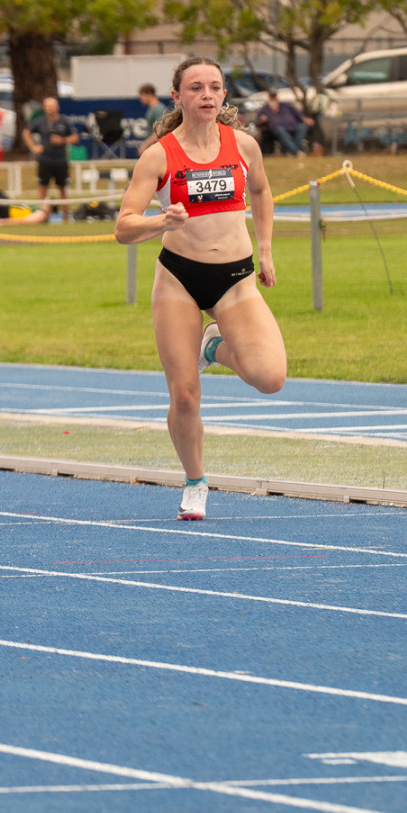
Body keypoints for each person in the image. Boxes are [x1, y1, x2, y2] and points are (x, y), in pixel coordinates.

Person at [115, 55, 286, 522]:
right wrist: (160, 221)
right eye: (195, 87)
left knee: (270, 377)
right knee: (185, 395)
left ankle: (212, 346)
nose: (206, 95)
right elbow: (124, 227)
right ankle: (195, 482)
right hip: (179, 279)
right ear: (177, 96)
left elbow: (262, 191)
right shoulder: (159, 155)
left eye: (214, 87)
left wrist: (266, 249)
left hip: (236, 278)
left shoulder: (244, 146)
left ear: (224, 95)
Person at [27, 95, 75, 218]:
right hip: (45, 160)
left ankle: (66, 216)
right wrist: (33, 147)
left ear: (57, 107)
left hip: (60, 160)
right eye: (47, 106)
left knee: (63, 189)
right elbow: (26, 132)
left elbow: (75, 137)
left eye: (52, 106)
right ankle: (39, 215)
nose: (49, 108)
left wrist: (62, 140)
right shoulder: (40, 121)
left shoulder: (64, 121)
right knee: (42, 188)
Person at [259, 92, 306, 156]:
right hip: (276, 130)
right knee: (281, 130)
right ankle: (296, 152)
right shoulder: (264, 109)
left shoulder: (286, 106)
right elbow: (259, 121)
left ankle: (293, 151)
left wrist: (304, 119)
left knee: (302, 127)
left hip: (292, 126)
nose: (273, 99)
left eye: (274, 97)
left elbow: (298, 114)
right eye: (271, 98)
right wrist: (262, 119)